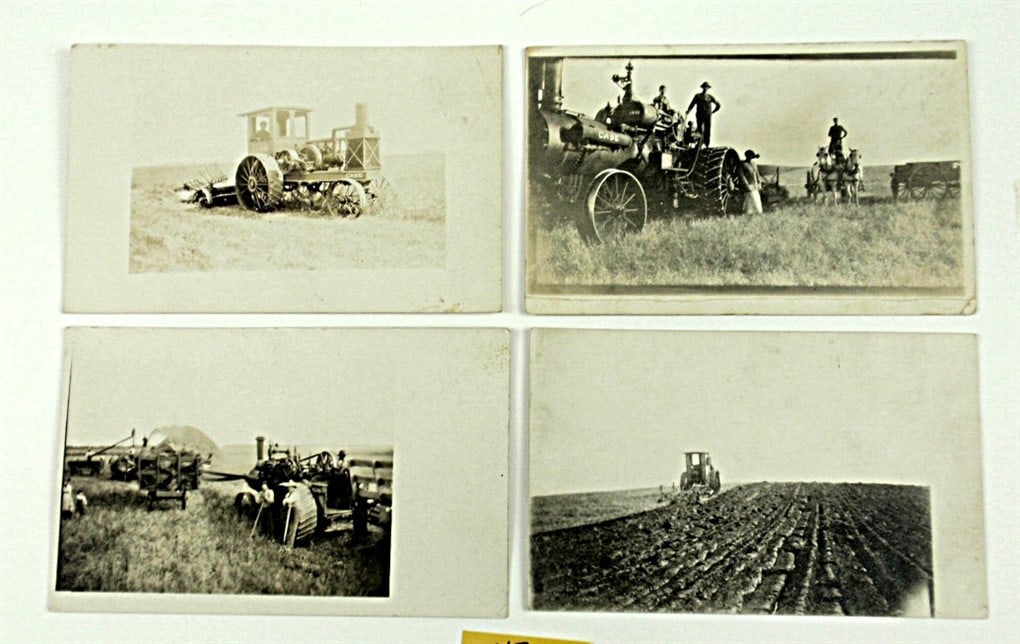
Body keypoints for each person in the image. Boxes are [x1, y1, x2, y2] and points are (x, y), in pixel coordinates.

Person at [686, 81, 721, 146]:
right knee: (700, 130)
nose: (705, 89)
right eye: (704, 87)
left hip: (708, 115)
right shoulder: (698, 96)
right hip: (699, 115)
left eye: (707, 87)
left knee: (707, 130)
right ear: (702, 88)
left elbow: (718, 105)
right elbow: (692, 104)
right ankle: (699, 143)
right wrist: (688, 110)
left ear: (708, 88)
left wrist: (713, 111)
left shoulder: (710, 97)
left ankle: (707, 144)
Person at [739, 149, 764, 214]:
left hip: (755, 186)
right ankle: (747, 214)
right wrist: (747, 185)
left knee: (757, 202)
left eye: (751, 156)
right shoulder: (743, 164)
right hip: (748, 186)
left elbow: (757, 174)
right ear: (746, 156)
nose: (750, 157)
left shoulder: (753, 164)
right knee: (749, 202)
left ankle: (757, 214)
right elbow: (742, 176)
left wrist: (759, 183)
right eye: (749, 155)